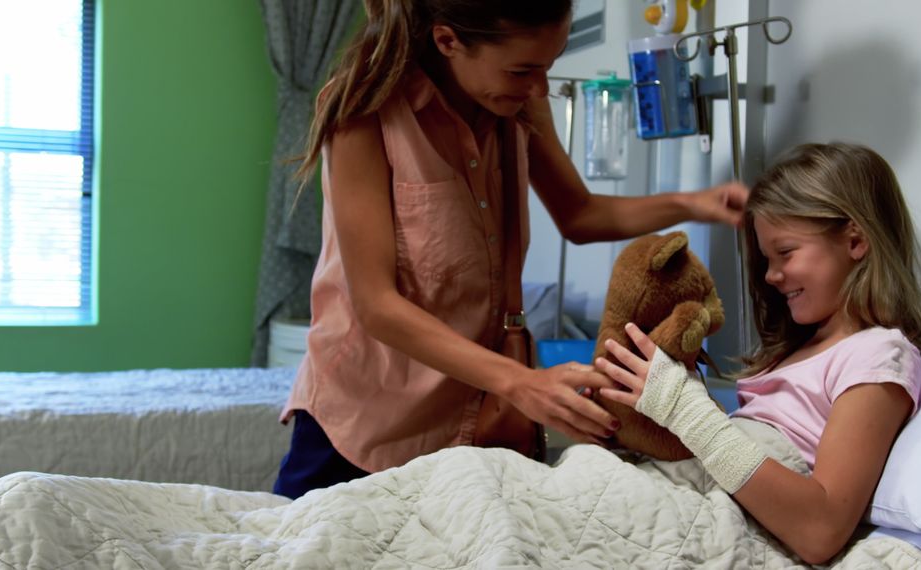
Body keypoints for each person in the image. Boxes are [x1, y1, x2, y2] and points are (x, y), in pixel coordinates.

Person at [272, 0, 749, 500]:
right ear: (447, 41)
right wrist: (521, 383)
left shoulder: (515, 101)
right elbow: (377, 305)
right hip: (368, 415)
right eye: (524, 69)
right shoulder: (367, 111)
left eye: (548, 66)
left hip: (477, 412)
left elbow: (580, 215)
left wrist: (698, 202)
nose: (539, 87)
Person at [596, 142, 921, 564]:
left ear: (856, 241)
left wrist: (685, 411)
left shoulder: (879, 356)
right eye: (768, 259)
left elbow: (820, 530)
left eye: (786, 253)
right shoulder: (798, 350)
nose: (771, 275)